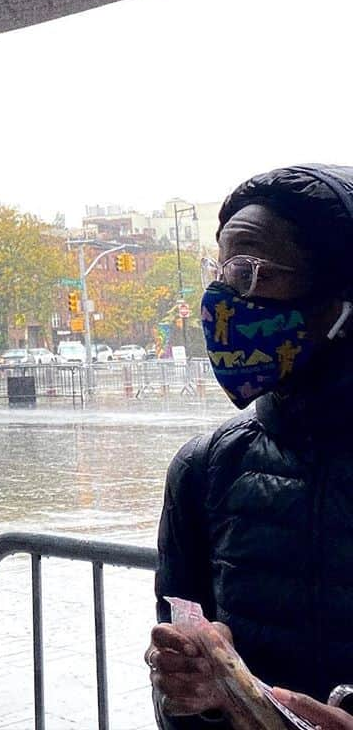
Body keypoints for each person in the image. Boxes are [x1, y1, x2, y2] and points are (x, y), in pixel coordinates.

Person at [146, 164, 353, 728]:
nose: (222, 297)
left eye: (249, 271)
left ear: (339, 300)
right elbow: (177, 694)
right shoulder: (204, 470)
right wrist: (197, 692)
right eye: (222, 269)